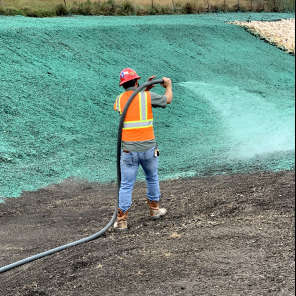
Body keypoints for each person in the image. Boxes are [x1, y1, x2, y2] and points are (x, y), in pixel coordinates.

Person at [113, 68, 173, 230]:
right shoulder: (147, 97)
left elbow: (131, 106)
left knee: (126, 185)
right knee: (152, 178)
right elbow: (167, 100)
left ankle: (122, 221)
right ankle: (154, 210)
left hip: (128, 151)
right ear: (137, 81)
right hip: (148, 149)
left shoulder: (119, 100)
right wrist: (168, 86)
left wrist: (144, 90)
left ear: (123, 85)